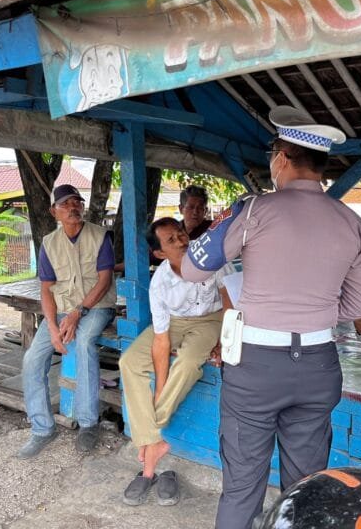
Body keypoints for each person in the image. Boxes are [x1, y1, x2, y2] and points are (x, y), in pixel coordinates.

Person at [182, 105, 361, 529]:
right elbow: (359, 308)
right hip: (320, 363)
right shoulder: (353, 222)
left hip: (255, 368)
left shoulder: (252, 211)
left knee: (242, 488)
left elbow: (193, 268)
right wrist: (314, 313)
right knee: (305, 490)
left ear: (282, 158)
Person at [120, 217, 234, 506]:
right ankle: (153, 442)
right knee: (129, 362)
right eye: (171, 240)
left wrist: (226, 337)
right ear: (160, 254)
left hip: (212, 319)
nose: (182, 241)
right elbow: (161, 340)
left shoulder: (211, 257)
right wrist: (160, 387)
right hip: (175, 322)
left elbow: (231, 298)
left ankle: (149, 440)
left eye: (181, 233)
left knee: (187, 361)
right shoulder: (160, 283)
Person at [17, 184, 117, 459]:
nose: (73, 207)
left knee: (83, 342)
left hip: (96, 306)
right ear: (54, 212)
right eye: (66, 204)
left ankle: (88, 424)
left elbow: (104, 280)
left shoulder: (100, 236)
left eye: (77, 202)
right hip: (61, 310)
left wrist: (77, 313)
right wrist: (50, 326)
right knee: (32, 359)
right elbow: (46, 289)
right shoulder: (49, 243)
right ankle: (42, 428)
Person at [113, 184, 213, 273]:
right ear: (181, 208)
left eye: (200, 208)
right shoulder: (170, 231)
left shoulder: (214, 229)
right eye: (190, 207)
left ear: (205, 211)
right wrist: (111, 268)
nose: (195, 212)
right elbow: (145, 259)